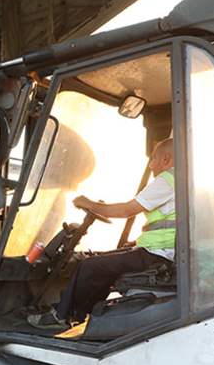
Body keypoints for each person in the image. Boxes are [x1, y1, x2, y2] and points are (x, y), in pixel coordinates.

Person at [29, 137, 176, 330]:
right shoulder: (181, 181)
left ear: (165, 160)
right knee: (101, 262)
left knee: (89, 266)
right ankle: (80, 314)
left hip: (159, 255)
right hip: (162, 251)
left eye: (153, 158)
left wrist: (89, 204)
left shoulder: (167, 180)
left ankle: (61, 316)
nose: (150, 164)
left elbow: (126, 210)